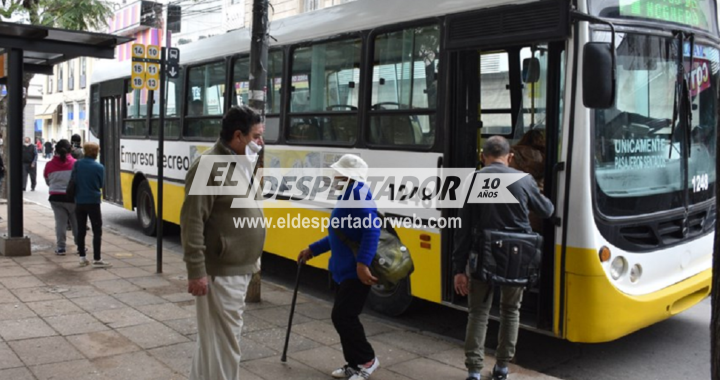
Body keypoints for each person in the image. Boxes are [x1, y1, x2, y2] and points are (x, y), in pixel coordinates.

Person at [453, 136, 554, 380]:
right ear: (509, 157)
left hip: (482, 256)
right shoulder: (524, 180)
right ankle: (502, 368)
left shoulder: (474, 180)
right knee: (510, 311)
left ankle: (474, 371)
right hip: (517, 258)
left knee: (478, 313)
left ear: (482, 156)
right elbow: (547, 211)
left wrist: (459, 268)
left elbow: (463, 229)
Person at [180, 105, 265, 380]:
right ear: (238, 136)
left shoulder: (240, 161)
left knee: (213, 339)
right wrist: (196, 271)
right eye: (257, 136)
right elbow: (192, 221)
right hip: (221, 272)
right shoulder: (209, 165)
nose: (261, 143)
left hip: (236, 267)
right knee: (226, 342)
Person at [298, 154, 381, 380]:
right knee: (343, 317)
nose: (334, 175)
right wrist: (313, 250)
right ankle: (353, 364)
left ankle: (367, 361)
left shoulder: (356, 194)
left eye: (338, 172)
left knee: (343, 316)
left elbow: (372, 229)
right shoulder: (349, 194)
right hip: (344, 270)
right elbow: (339, 233)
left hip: (354, 272)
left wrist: (363, 264)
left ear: (347, 175)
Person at [74, 142, 111, 268]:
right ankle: (97, 258)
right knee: (97, 230)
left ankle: (82, 257)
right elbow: (101, 185)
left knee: (81, 229)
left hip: (79, 200)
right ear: (96, 152)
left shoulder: (77, 164)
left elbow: (73, 180)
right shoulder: (99, 167)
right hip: (93, 201)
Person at [44, 140, 78, 255]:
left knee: (60, 223)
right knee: (76, 223)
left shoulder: (49, 165)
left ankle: (61, 248)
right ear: (70, 150)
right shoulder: (76, 164)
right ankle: (80, 246)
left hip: (56, 198)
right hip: (73, 198)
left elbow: (48, 181)